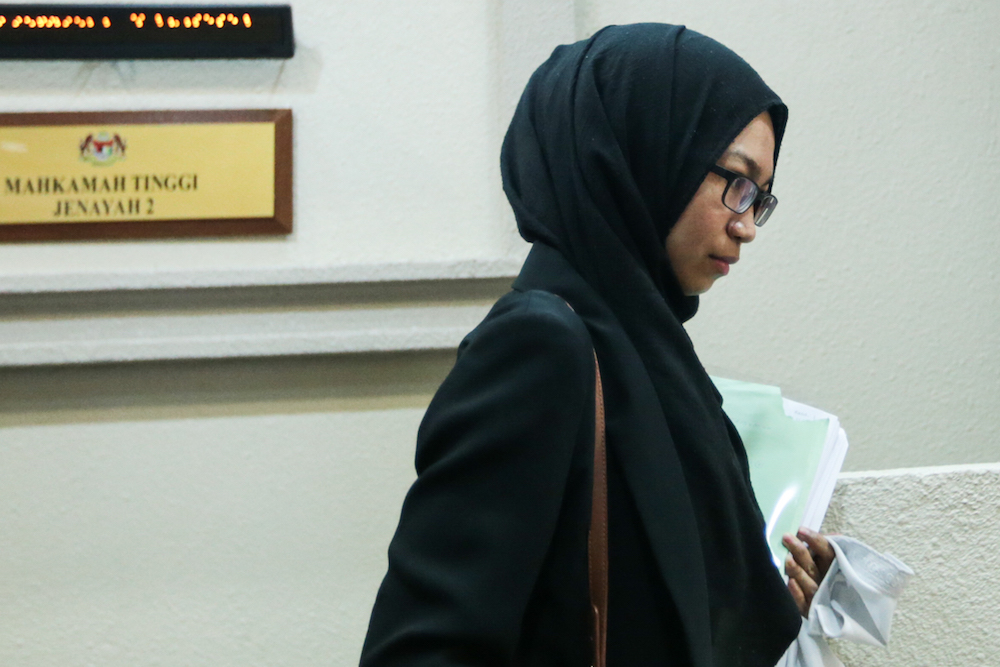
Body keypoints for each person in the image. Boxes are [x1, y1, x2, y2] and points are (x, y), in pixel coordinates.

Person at [361, 23, 833, 667]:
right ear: (640, 154)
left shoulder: (657, 362)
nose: (746, 225)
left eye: (761, 198)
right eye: (736, 182)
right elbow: (425, 647)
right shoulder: (540, 346)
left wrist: (776, 605)